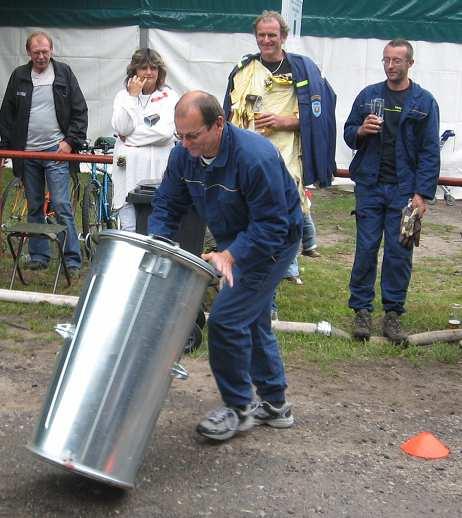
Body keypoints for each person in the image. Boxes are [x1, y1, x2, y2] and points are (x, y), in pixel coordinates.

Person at [148, 91, 303, 441]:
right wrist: (157, 242)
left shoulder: (254, 157)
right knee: (252, 318)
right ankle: (276, 405)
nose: (185, 145)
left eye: (193, 136)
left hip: (273, 242)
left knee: (227, 320)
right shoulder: (183, 157)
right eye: (180, 136)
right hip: (236, 238)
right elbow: (167, 204)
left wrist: (231, 255)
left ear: (218, 124)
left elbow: (272, 225)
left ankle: (238, 409)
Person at [223, 10, 335, 288]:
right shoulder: (244, 70)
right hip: (247, 154)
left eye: (272, 35)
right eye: (261, 35)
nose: (266, 40)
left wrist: (286, 121)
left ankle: (283, 263)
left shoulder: (302, 69)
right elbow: (229, 114)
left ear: (283, 37)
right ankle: (251, 268)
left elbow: (321, 113)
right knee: (247, 209)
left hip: (285, 154)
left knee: (284, 210)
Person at [344, 39, 440, 343]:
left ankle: (393, 314)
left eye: (397, 60)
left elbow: (429, 153)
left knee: (399, 252)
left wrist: (421, 194)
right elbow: (348, 133)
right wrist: (360, 130)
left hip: (404, 190)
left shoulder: (424, 102)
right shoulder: (368, 96)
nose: (390, 65)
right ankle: (361, 311)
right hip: (370, 186)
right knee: (366, 249)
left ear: (409, 63)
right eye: (386, 59)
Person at [0, 31, 87, 277]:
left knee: (60, 204)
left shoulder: (64, 73)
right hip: (26, 153)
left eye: (45, 52)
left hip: (55, 151)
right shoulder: (19, 76)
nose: (41, 56)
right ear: (29, 53)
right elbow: (6, 114)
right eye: (36, 52)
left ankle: (72, 258)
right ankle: (39, 255)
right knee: (35, 204)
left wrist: (70, 142)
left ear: (51, 51)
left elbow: (80, 110)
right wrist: (5, 147)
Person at [111, 48, 179, 231]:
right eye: (143, 68)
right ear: (134, 71)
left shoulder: (169, 97)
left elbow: (165, 132)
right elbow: (122, 127)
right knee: (130, 229)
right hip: (127, 172)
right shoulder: (123, 96)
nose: (149, 73)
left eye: (153, 68)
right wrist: (133, 97)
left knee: (155, 228)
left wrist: (130, 139)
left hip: (157, 171)